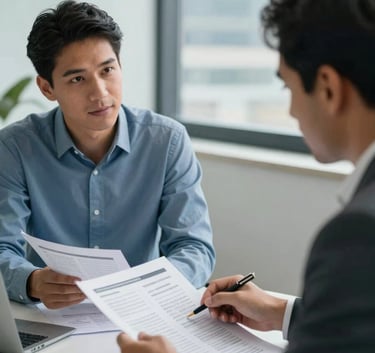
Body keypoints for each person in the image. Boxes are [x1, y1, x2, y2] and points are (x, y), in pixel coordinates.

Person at [116, 0, 375, 352]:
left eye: (289, 88)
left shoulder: (359, 232)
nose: (292, 110)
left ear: (328, 87)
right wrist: (281, 312)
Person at [0, 0, 215, 310]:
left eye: (107, 70)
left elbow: (194, 248)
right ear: (47, 88)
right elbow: (3, 247)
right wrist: (32, 281)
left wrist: (147, 290)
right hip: (52, 318)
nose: (100, 92)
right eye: (77, 79)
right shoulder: (15, 148)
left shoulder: (167, 141)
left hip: (144, 313)